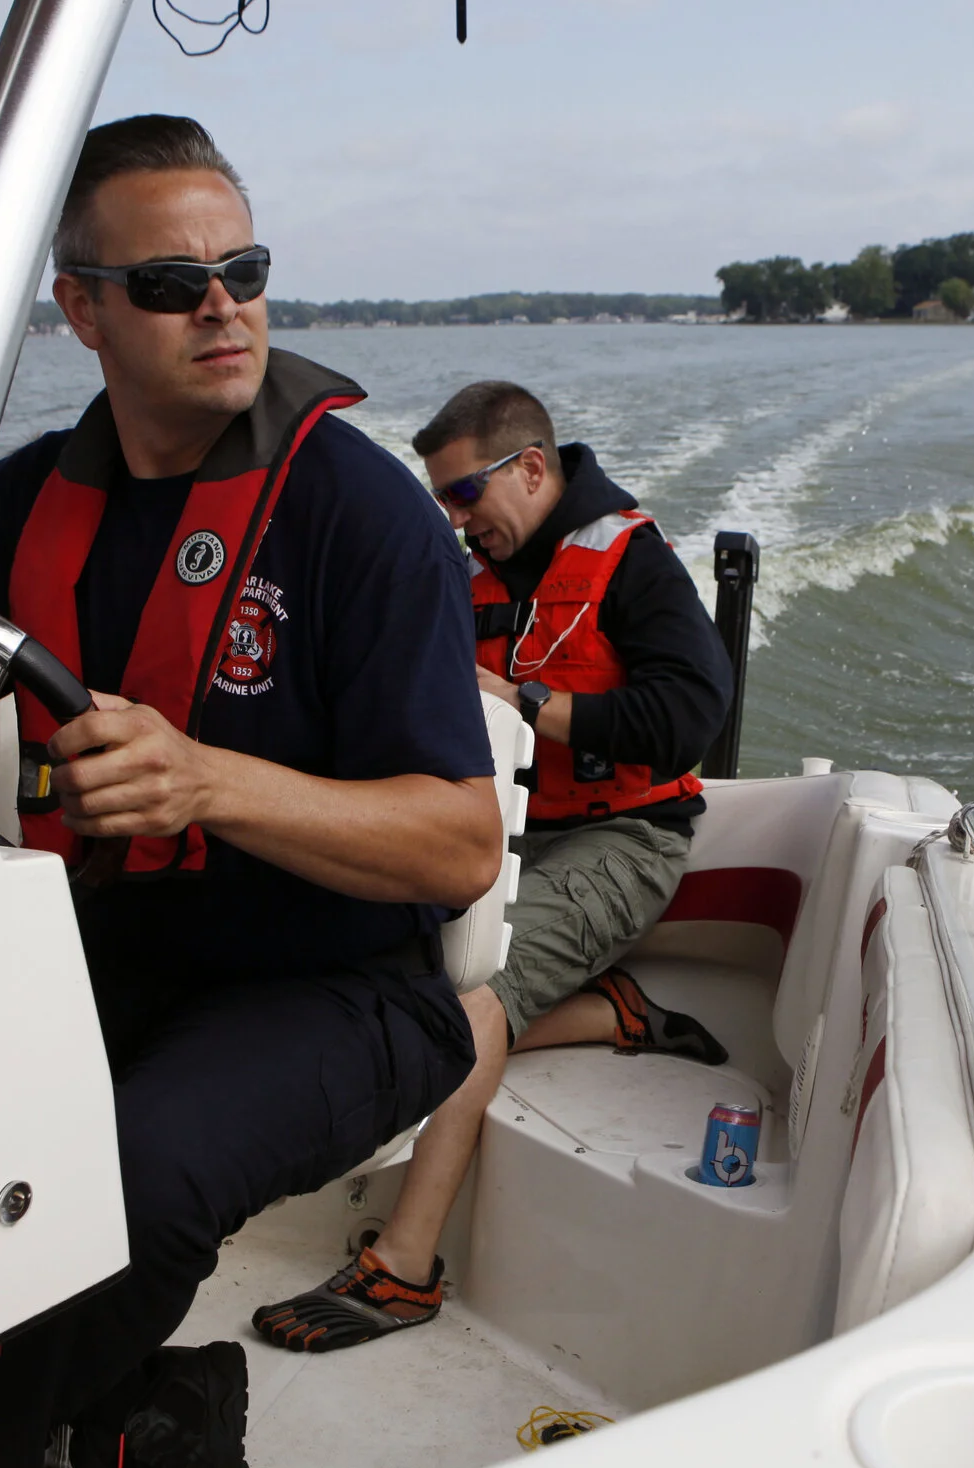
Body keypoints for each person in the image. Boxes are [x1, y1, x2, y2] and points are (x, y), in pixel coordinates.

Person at [0, 116, 504, 1468]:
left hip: (343, 988)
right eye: (172, 281)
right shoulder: (8, 509)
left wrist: (208, 780)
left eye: (244, 268)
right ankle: (154, 1401)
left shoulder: (358, 512)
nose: (223, 304)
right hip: (92, 955)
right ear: (81, 310)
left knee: (136, 1163)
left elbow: (459, 846)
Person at [251, 380, 735, 1355]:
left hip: (621, 842)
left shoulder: (629, 561)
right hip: (490, 831)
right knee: (359, 966)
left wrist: (522, 695)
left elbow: (692, 716)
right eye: (442, 499)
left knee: (468, 998)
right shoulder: (459, 570)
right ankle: (612, 1013)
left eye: (466, 493)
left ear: (530, 467)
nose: (454, 518)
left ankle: (404, 1265)